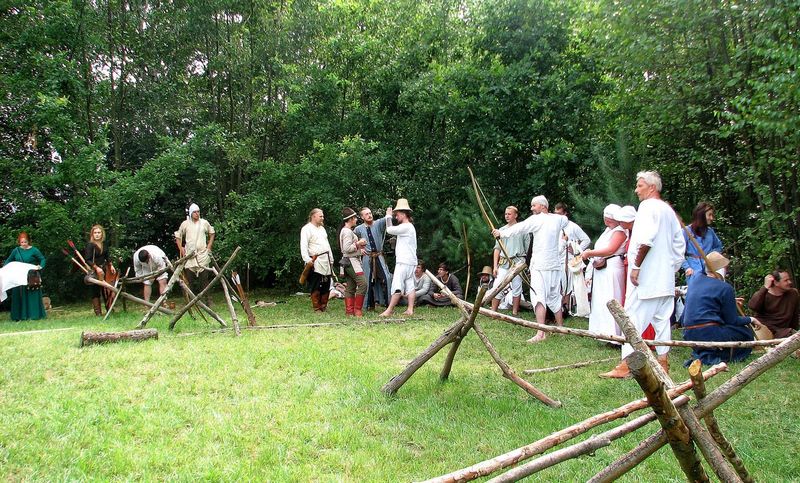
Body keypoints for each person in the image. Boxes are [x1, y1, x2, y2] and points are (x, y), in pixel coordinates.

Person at [600, 171, 685, 378]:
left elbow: (646, 240)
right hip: (663, 278)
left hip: (647, 277)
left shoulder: (647, 207)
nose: (636, 190)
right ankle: (663, 362)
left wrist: (637, 266)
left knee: (632, 318)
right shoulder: (667, 210)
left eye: (640, 186)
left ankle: (627, 364)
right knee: (662, 321)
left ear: (652, 187)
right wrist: (670, 268)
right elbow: (679, 244)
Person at [492, 195, 568, 343]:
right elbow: (565, 221)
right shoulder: (558, 219)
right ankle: (561, 329)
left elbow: (520, 228)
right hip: (554, 266)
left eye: (534, 205)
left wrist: (501, 233)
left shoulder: (537, 219)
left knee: (538, 297)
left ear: (543, 206)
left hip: (540, 265)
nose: (532, 208)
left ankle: (541, 333)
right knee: (554, 296)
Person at [682, 252, 759, 365]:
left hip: (688, 333)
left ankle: (706, 353)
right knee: (745, 333)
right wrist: (751, 319)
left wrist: (730, 301)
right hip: (708, 331)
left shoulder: (694, 282)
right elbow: (732, 320)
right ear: (721, 269)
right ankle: (719, 357)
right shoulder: (725, 288)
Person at [582, 204, 627, 339]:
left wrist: (590, 253)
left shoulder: (619, 231)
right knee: (601, 299)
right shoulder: (608, 230)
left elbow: (611, 250)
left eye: (609, 219)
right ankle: (602, 331)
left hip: (612, 268)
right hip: (601, 268)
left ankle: (614, 333)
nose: (606, 221)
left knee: (611, 297)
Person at [380, 199, 417, 317]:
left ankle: (389, 310)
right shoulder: (409, 227)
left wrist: (388, 216)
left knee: (397, 285)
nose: (396, 217)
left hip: (403, 262)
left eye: (397, 214)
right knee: (410, 285)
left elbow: (389, 229)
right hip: (411, 261)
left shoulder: (406, 226)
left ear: (404, 214)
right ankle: (410, 309)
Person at [175, 204, 215, 306]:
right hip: (190, 256)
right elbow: (178, 236)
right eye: (195, 212)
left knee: (204, 279)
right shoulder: (185, 224)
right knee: (189, 280)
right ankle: (190, 301)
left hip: (202, 254)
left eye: (198, 211)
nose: (197, 214)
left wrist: (209, 246)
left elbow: (212, 233)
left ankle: (208, 300)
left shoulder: (204, 223)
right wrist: (181, 248)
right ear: (191, 213)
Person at [354, 207, 393, 312]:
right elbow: (352, 239)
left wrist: (389, 213)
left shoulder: (378, 223)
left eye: (370, 213)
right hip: (367, 257)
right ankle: (367, 305)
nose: (369, 215)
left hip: (379, 256)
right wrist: (360, 248)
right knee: (367, 281)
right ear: (362, 217)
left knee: (387, 278)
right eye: (366, 214)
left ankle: (388, 305)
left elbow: (387, 218)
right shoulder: (358, 229)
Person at [491, 206, 528, 316]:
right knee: (498, 285)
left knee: (517, 286)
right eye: (506, 214)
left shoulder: (522, 229)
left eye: (509, 214)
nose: (507, 216)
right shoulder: (501, 230)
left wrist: (526, 264)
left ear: (515, 215)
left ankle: (515, 311)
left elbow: (528, 249)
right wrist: (495, 266)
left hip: (518, 261)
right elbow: (497, 249)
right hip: (504, 262)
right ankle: (493, 311)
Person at [554, 202, 591, 312]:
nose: (557, 216)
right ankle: (556, 308)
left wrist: (576, 250)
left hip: (568, 259)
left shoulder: (573, 226)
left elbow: (586, 240)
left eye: (560, 214)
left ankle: (566, 307)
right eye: (556, 213)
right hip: (555, 258)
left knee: (567, 283)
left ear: (565, 213)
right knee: (556, 283)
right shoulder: (553, 226)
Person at [3, 232, 46, 321]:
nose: (23, 244)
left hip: (30, 276)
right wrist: (5, 270)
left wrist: (40, 266)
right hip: (18, 276)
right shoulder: (16, 250)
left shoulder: (34, 250)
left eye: (25, 242)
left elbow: (42, 259)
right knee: (18, 294)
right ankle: (18, 316)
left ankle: (34, 315)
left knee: (31, 294)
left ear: (29, 241)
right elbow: (8, 261)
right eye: (22, 242)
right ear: (19, 242)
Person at [300, 208, 334, 312]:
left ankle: (323, 306)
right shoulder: (306, 229)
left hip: (326, 259)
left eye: (323, 216)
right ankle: (317, 307)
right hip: (315, 260)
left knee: (326, 284)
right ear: (313, 216)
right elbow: (303, 245)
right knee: (316, 284)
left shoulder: (322, 229)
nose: (322, 218)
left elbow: (327, 245)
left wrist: (331, 258)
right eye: (320, 216)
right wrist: (307, 259)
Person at [747, 269, 799, 338]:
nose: (789, 282)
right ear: (776, 282)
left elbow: (795, 317)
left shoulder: (793, 293)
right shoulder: (763, 294)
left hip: (784, 332)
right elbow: (752, 306)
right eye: (786, 280)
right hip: (764, 332)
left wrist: (795, 333)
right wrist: (765, 287)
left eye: (789, 279)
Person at [682, 202, 723, 284]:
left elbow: (718, 247)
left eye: (712, 215)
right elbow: (678, 253)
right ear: (701, 215)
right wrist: (687, 267)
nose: (712, 218)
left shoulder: (710, 232)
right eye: (709, 215)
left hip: (709, 269)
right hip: (693, 271)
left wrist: (710, 256)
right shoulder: (686, 231)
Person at [339, 207, 367, 317]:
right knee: (363, 284)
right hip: (351, 262)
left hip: (350, 260)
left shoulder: (346, 231)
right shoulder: (347, 231)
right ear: (350, 219)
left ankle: (349, 312)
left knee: (350, 287)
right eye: (355, 218)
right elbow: (346, 249)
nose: (356, 220)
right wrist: (359, 243)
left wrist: (360, 250)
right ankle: (357, 310)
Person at [84, 224, 117, 316]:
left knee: (106, 289)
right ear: (92, 234)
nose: (97, 234)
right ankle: (98, 313)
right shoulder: (90, 245)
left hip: (104, 269)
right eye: (95, 233)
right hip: (94, 271)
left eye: (99, 232)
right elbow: (87, 259)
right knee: (95, 291)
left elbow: (107, 256)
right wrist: (96, 268)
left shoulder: (104, 244)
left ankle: (109, 309)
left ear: (102, 234)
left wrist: (111, 265)